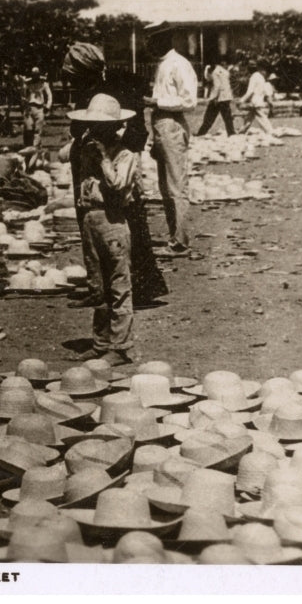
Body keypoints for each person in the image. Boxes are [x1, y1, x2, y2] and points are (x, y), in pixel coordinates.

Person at [61, 41, 167, 308]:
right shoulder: (88, 89)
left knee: (125, 222)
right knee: (90, 223)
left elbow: (136, 131)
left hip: (114, 164)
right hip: (89, 165)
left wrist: (114, 152)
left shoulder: (119, 85)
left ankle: (137, 287)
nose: (73, 82)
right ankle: (99, 287)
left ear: (87, 70)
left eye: (75, 76)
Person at [69, 95, 140, 366]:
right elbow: (67, 156)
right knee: (97, 285)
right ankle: (101, 342)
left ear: (115, 127)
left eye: (101, 126)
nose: (95, 131)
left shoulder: (124, 155)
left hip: (112, 220)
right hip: (90, 219)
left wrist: (103, 159)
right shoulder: (86, 149)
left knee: (119, 285)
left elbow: (116, 185)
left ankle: (120, 346)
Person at [144, 26, 197, 256]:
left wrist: (156, 103)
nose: (149, 47)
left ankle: (180, 242)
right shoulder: (164, 64)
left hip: (172, 123)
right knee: (165, 186)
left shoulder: (179, 64)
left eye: (152, 42)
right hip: (161, 124)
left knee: (176, 185)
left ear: (163, 40)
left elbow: (189, 101)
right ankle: (174, 236)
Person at [196, 56, 236, 136]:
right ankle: (231, 133)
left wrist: (211, 98)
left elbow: (216, 86)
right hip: (226, 97)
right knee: (227, 118)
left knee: (209, 117)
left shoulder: (215, 72)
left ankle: (201, 133)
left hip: (218, 98)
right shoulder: (224, 71)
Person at [239, 60, 277, 137]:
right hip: (258, 102)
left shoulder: (256, 77)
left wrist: (241, 100)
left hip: (256, 102)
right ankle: (242, 132)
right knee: (251, 119)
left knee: (258, 119)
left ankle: (270, 132)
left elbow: (252, 91)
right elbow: (254, 91)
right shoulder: (258, 77)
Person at [23, 66, 53, 146]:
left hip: (39, 108)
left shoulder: (43, 84)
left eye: (36, 74)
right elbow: (23, 96)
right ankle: (28, 146)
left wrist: (48, 106)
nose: (35, 76)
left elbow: (49, 95)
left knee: (38, 129)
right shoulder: (27, 84)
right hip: (29, 108)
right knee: (28, 128)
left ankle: (35, 147)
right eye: (33, 74)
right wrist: (24, 105)